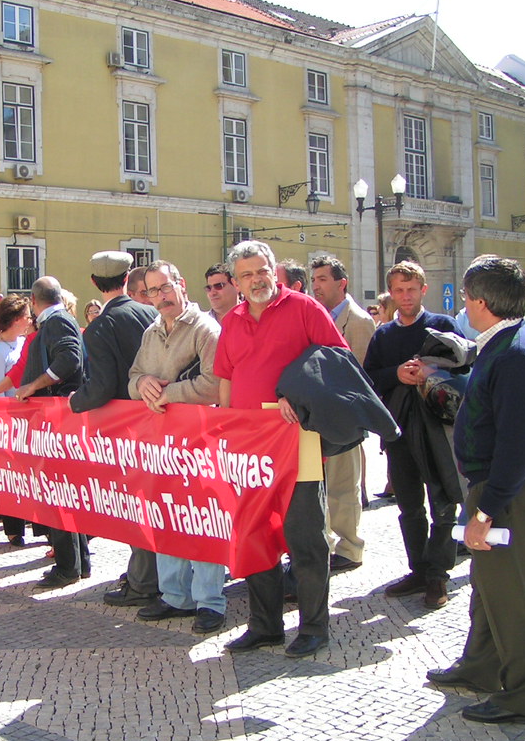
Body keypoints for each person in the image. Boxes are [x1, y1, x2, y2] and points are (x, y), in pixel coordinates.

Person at [427, 256, 525, 724]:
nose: (463, 305)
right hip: (502, 485)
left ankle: (523, 696)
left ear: (482, 302)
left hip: (507, 491)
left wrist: (488, 509)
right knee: (490, 586)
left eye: (466, 298)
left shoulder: (515, 354)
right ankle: (482, 666)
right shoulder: (510, 340)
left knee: (514, 595)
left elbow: (516, 444)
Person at [214, 240, 349, 658]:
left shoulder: (305, 309)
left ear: (275, 271)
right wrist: (225, 426)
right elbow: (226, 378)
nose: (256, 281)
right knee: (254, 536)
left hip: (299, 442)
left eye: (262, 271)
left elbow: (337, 361)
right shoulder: (232, 321)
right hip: (249, 450)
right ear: (236, 282)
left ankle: (313, 627)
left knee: (305, 537)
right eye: (247, 275)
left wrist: (297, 391)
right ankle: (265, 626)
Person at [128, 260, 226, 634]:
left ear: (181, 284)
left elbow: (215, 384)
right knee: (168, 516)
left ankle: (210, 601)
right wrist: (144, 385)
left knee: (202, 520)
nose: (160, 296)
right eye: (152, 290)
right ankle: (174, 596)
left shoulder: (206, 329)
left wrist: (167, 393)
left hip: (200, 444)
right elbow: (133, 378)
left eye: (165, 287)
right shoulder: (151, 332)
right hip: (161, 445)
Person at [363, 261, 464, 609]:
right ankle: (418, 568)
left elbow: (465, 367)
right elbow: (370, 377)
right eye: (399, 290)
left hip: (438, 427)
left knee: (443, 500)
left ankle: (438, 574)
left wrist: (429, 371)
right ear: (391, 293)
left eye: (411, 289)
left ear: (424, 290)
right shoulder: (384, 335)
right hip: (399, 429)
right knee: (408, 504)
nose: (405, 296)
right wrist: (398, 373)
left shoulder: (442, 326)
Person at [70, 251, 158, 605]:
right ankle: (149, 575)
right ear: (127, 280)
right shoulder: (150, 312)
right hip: (161, 419)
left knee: (137, 507)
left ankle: (142, 582)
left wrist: (75, 401)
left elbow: (103, 385)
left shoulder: (101, 326)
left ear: (94, 283)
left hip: (126, 430)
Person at [16, 276, 88, 588]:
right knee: (63, 493)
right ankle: (76, 563)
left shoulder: (57, 321)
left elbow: (70, 359)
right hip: (55, 418)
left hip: (55, 420)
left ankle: (68, 567)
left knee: (58, 493)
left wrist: (33, 384)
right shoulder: (59, 320)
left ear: (33, 301)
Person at [309, 255, 376, 572]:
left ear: (341, 282)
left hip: (345, 418)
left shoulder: (359, 321)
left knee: (344, 486)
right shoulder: (313, 315)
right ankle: (327, 542)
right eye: (314, 280)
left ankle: (350, 547)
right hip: (316, 418)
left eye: (323, 279)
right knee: (321, 486)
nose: (316, 286)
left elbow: (359, 373)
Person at [0, 293, 33, 545]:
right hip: (7, 418)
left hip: (27, 417)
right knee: (8, 474)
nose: (30, 319)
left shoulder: (23, 342)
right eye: (26, 316)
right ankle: (13, 528)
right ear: (16, 320)